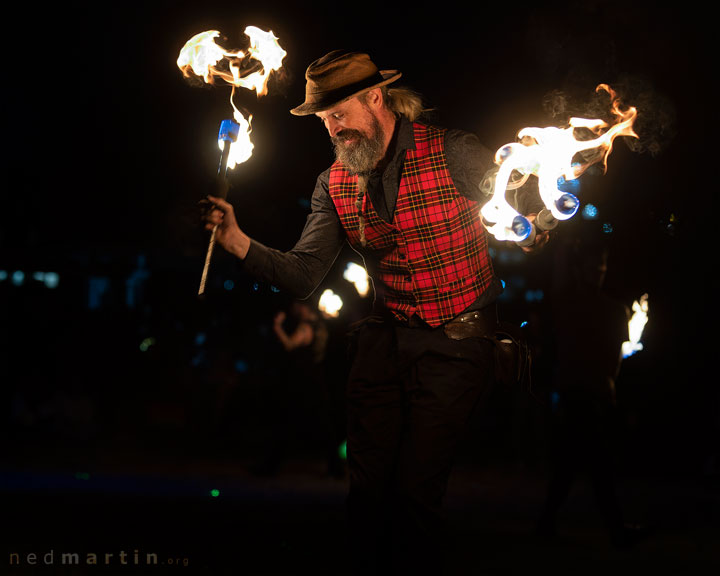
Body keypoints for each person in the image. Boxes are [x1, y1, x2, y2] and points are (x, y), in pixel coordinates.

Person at [202, 49, 549, 575]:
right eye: (324, 121)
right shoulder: (332, 184)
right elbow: (302, 274)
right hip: (384, 346)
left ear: (375, 98)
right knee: (366, 496)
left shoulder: (455, 152)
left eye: (340, 114)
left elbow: (520, 210)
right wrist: (237, 241)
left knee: (415, 494)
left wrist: (532, 228)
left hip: (458, 346)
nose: (333, 129)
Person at [536, 232, 645, 548]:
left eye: (602, 266)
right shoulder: (569, 303)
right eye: (593, 265)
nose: (599, 271)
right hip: (578, 396)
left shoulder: (615, 312)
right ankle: (616, 531)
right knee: (597, 466)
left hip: (596, 396)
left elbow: (616, 359)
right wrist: (561, 242)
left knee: (574, 465)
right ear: (580, 268)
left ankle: (548, 522)